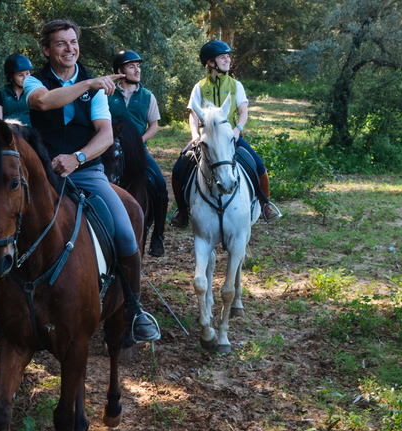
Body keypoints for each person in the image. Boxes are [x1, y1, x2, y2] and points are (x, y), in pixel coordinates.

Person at [24, 19, 160, 343]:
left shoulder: (95, 87)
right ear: (46, 49)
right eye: (61, 43)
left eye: (74, 42)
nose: (70, 48)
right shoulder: (33, 81)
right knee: (7, 226)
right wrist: (89, 85)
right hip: (42, 174)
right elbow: (44, 102)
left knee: (127, 235)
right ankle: (0, 310)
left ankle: (134, 311)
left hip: (86, 172)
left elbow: (105, 134)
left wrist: (78, 158)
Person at [170, 40, 281, 228]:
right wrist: (194, 134)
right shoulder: (199, 87)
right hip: (206, 139)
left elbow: (243, 111)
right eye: (223, 57)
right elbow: (193, 114)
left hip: (230, 137)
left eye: (228, 56)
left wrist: (238, 129)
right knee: (179, 167)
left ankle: (265, 204)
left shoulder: (236, 85)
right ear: (211, 62)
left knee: (258, 164)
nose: (228, 60)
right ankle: (182, 211)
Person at [108, 50, 169, 257]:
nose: (137, 69)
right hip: (109, 150)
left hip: (138, 152)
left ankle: (158, 236)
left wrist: (137, 142)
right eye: (132, 66)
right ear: (120, 70)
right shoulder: (107, 94)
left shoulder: (147, 96)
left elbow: (153, 126)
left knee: (160, 184)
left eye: (138, 66)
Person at [0, 53, 33, 126]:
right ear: (11, 76)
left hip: (30, 134)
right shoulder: (1, 95)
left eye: (27, 73)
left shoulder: (34, 92)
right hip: (9, 133)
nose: (25, 78)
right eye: (20, 75)